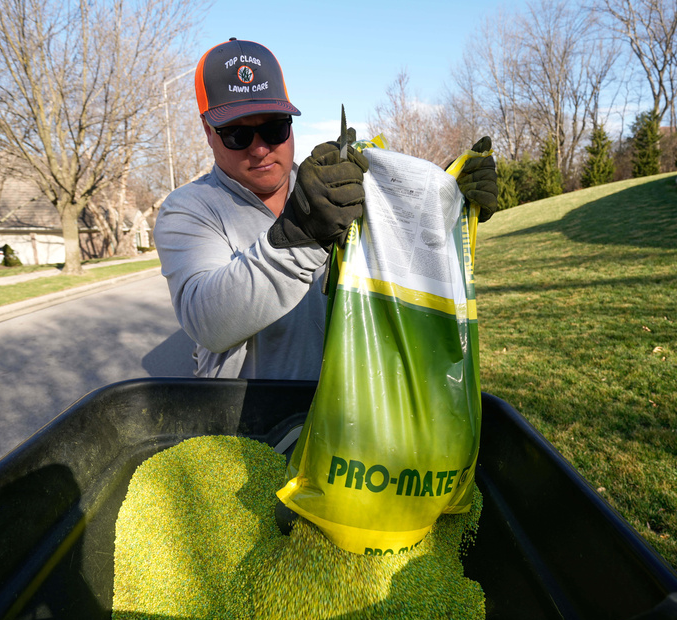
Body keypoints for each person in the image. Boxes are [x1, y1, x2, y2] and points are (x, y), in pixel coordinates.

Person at [154, 38, 498, 380]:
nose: (259, 149)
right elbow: (209, 323)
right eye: (236, 135)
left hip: (346, 411)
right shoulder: (187, 210)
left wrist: (445, 205)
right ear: (207, 131)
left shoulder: (332, 186)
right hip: (246, 425)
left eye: (274, 128)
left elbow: (403, 262)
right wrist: (301, 233)